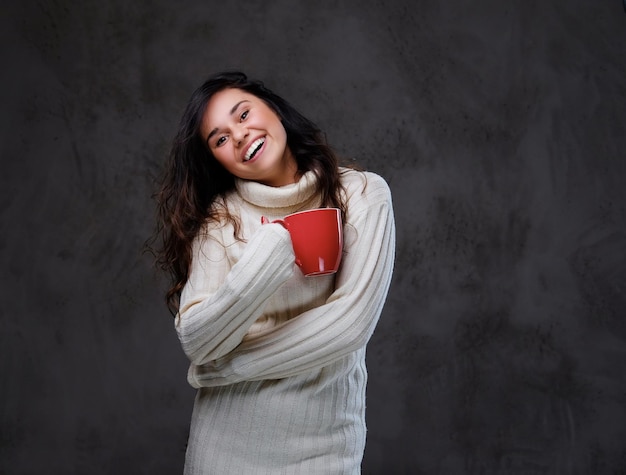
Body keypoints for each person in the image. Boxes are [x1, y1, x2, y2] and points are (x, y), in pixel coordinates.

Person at [153, 71, 396, 474]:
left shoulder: (363, 196)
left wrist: (228, 368)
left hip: (327, 450)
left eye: (243, 114)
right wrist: (269, 256)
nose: (240, 135)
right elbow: (197, 339)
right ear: (216, 157)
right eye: (220, 138)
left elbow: (349, 325)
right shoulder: (220, 221)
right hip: (224, 451)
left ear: (274, 109)